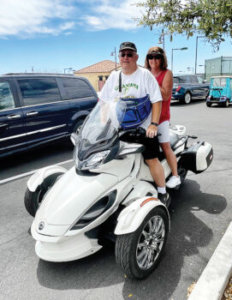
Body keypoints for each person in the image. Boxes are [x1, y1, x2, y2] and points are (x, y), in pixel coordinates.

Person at [100, 41, 169, 205]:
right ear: (119, 57)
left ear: (136, 57)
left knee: (151, 159)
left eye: (129, 54)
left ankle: (162, 191)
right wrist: (104, 124)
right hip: (120, 127)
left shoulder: (145, 75)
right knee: (109, 158)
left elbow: (157, 101)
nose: (126, 57)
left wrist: (153, 124)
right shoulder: (115, 76)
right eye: (123, 54)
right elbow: (104, 102)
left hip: (143, 127)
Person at [145, 46, 181, 188]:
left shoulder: (167, 73)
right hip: (145, 118)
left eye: (157, 57)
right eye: (150, 57)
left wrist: (151, 80)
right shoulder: (144, 73)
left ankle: (175, 175)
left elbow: (166, 95)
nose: (153, 60)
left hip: (161, 117)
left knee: (165, 145)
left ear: (162, 58)